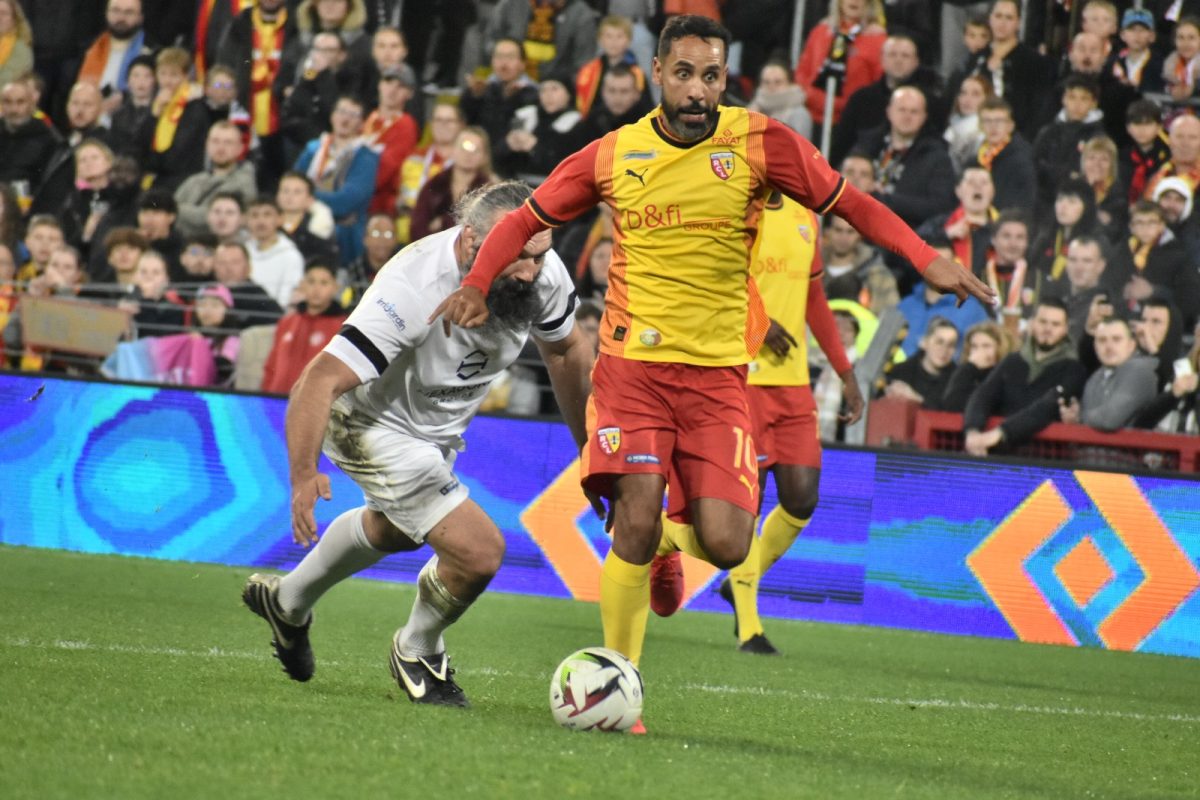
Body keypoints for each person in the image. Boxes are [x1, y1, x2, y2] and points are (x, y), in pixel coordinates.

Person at [429, 16, 995, 704]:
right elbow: (525, 221)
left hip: (721, 378)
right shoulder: (613, 154)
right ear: (659, 75)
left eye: (713, 75)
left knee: (728, 542)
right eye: (686, 73)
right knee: (632, 516)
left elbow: (853, 205)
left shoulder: (760, 142)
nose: (699, 89)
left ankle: (672, 543)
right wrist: (474, 284)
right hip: (633, 369)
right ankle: (617, 682)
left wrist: (926, 257)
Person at [241, 181, 593, 709]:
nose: (531, 271)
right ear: (474, 243)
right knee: (478, 551)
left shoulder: (539, 266)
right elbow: (317, 381)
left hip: (436, 429)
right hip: (370, 421)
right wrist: (302, 475)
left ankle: (287, 600)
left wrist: (590, 447)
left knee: (397, 532)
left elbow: (566, 351)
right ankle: (418, 649)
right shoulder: (413, 286)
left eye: (539, 256)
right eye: (518, 257)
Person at [655, 191, 863, 655]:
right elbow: (704, 283)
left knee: (802, 498)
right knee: (747, 505)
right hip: (737, 380)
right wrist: (758, 322)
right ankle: (749, 626)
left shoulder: (805, 217)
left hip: (792, 385)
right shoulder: (726, 211)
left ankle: (729, 575)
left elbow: (813, 300)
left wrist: (846, 372)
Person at [963, 297, 1087, 456]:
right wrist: (972, 430)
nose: (1048, 328)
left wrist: (1001, 433)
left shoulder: (1074, 369)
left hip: (1045, 460)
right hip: (999, 456)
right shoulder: (1012, 360)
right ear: (1032, 323)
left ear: (1065, 329)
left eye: (1055, 324)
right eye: (1043, 321)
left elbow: (1048, 407)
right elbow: (984, 394)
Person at [295, 95, 381, 265]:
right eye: (342, 111)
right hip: (304, 228)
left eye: (353, 115)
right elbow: (292, 184)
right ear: (332, 115)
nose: (345, 119)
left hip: (343, 237)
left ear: (362, 124)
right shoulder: (314, 149)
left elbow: (345, 203)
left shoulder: (366, 157)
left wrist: (305, 199)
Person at [260, 259, 347, 393]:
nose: (316, 289)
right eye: (311, 282)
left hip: (313, 406)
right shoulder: (286, 322)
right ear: (302, 285)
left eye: (324, 283)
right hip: (276, 402)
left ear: (335, 287)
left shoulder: (342, 327)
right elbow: (271, 366)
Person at [1059, 317, 1158, 432]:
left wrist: (1079, 417)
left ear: (1131, 345)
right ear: (1095, 347)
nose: (1109, 347)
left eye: (1116, 339)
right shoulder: (1095, 377)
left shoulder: (1140, 370)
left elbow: (1109, 419)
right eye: (1102, 340)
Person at [884, 316, 960, 409]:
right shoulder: (899, 372)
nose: (944, 350)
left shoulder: (959, 382)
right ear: (924, 343)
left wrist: (917, 399)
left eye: (951, 345)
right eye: (939, 342)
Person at [942, 320, 1010, 411]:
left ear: (1000, 348)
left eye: (986, 346)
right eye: (974, 346)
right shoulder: (965, 373)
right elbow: (952, 405)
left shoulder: (1008, 375)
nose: (979, 352)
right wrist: (969, 367)